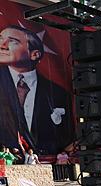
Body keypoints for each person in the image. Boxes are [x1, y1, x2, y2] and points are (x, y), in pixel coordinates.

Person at [0, 26, 73, 154]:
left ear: (34, 54)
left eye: (13, 41)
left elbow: (65, 138)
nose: (3, 45)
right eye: (0, 39)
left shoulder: (57, 93)